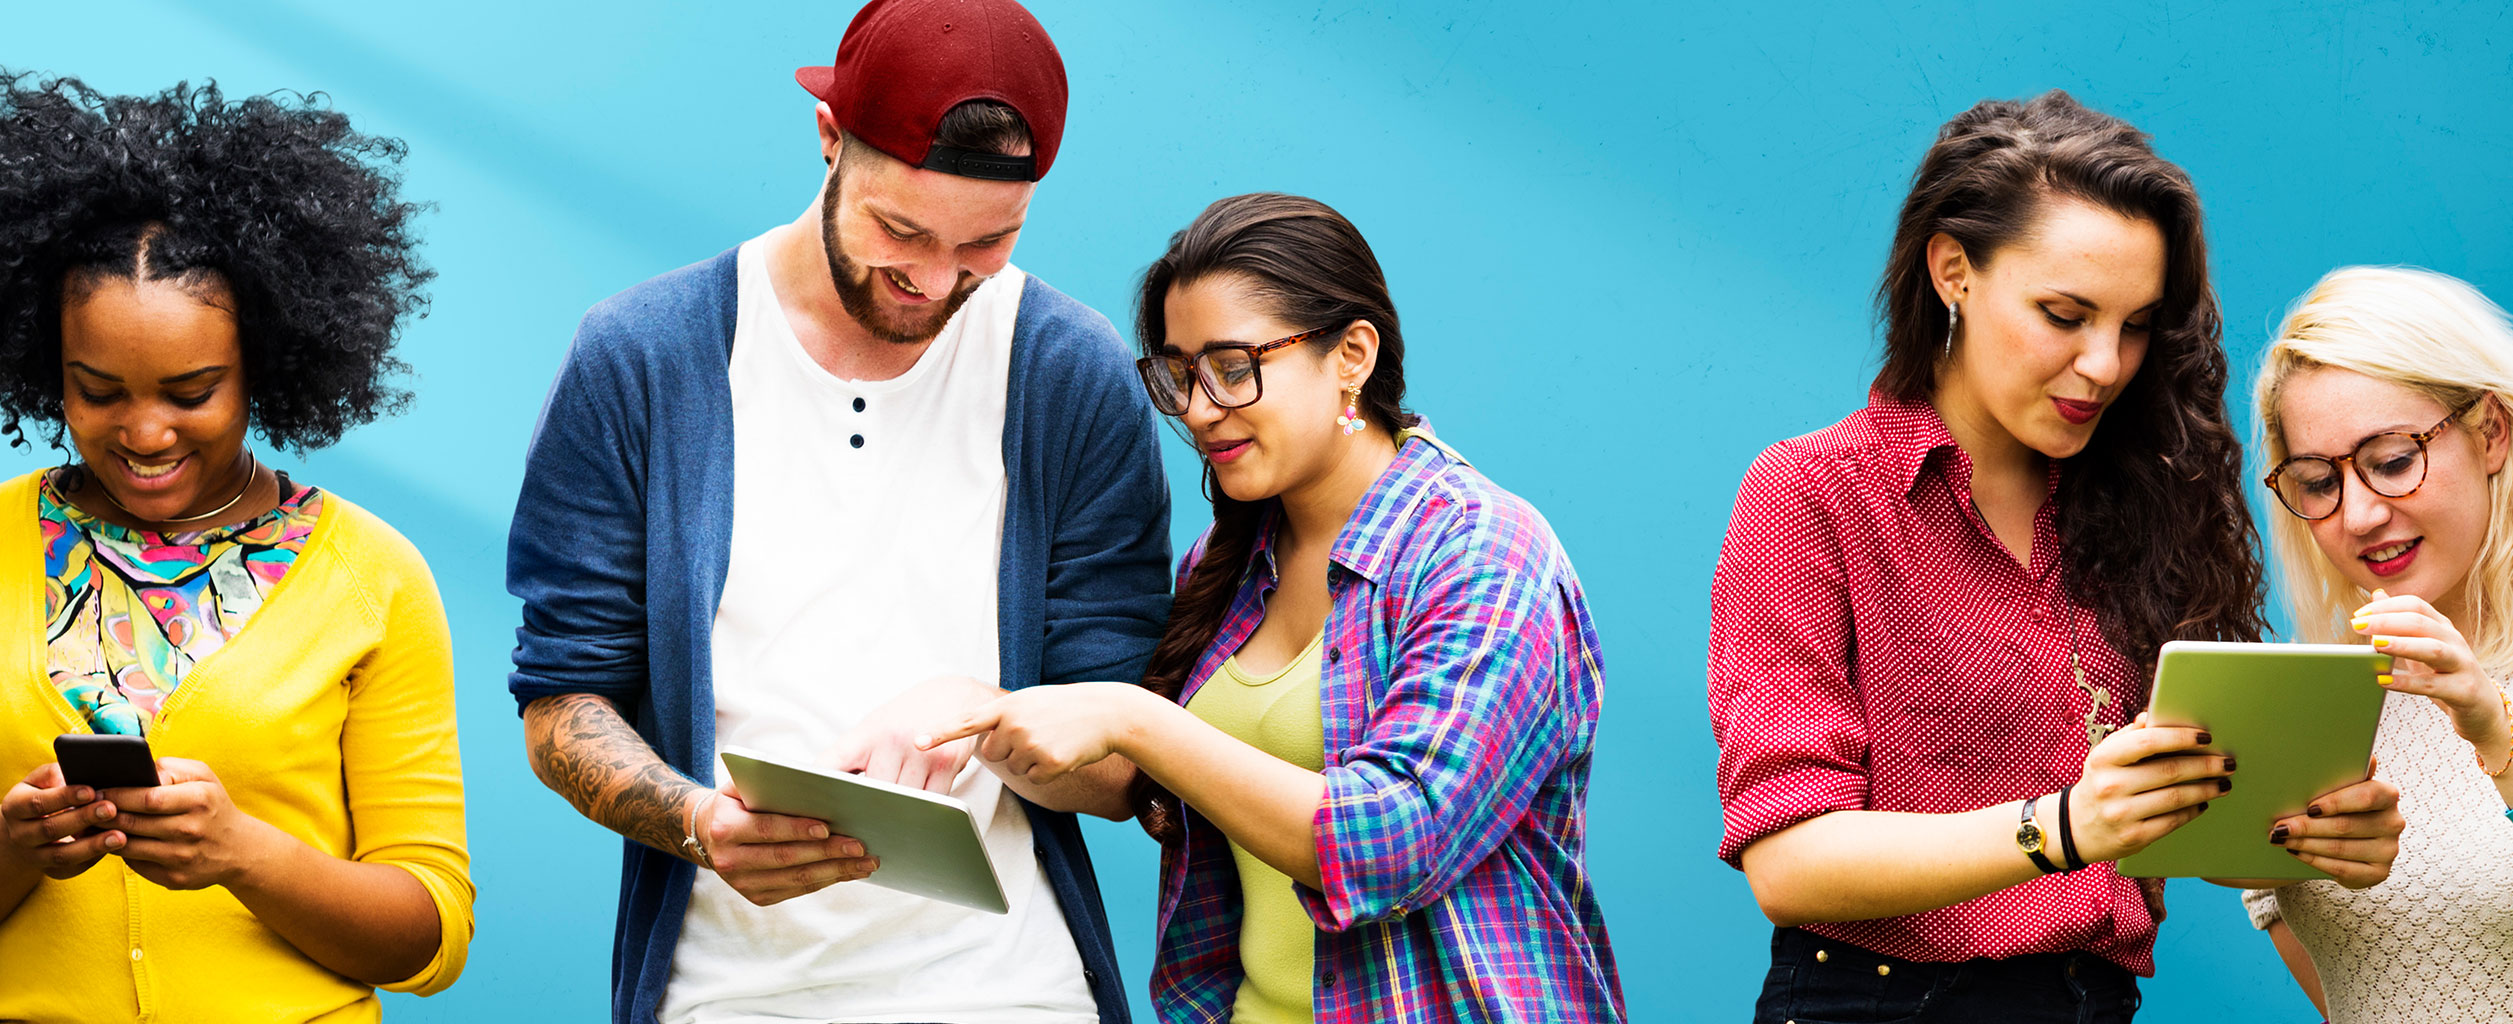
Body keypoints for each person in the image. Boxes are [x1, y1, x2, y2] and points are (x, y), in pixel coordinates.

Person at [502, 2, 1169, 1021]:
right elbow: (561, 703)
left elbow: (1126, 764)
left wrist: (986, 721)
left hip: (1008, 988)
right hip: (725, 992)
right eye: (899, 230)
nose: (935, 279)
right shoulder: (641, 356)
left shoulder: (1068, 375)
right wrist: (696, 822)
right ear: (827, 138)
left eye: (985, 243)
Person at [1705, 90, 2405, 1023]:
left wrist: (2309, 837)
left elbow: (2159, 824)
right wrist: (2066, 825)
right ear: (1953, 270)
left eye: (2133, 325)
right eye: (2064, 314)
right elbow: (1786, 862)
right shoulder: (1811, 493)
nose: (2105, 365)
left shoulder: (2133, 505)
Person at [919, 192, 1623, 1023]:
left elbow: (1392, 839)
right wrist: (985, 724)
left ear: (1351, 354)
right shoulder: (1228, 563)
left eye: (1232, 365)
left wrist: (1131, 718)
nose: (1199, 408)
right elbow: (1145, 785)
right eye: (1179, 375)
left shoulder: (1481, 553)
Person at [0, 72, 471, 1021]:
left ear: (267, 362)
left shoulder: (373, 575)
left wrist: (245, 854)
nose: (143, 433)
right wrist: (14, 851)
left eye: (190, 392)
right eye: (97, 390)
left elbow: (431, 934)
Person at [2244, 265, 2513, 1022]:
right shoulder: (2315, 716)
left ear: (2491, 431)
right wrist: (2218, 838)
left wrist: (2493, 731)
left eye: (2392, 460)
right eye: (2318, 482)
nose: (2358, 514)